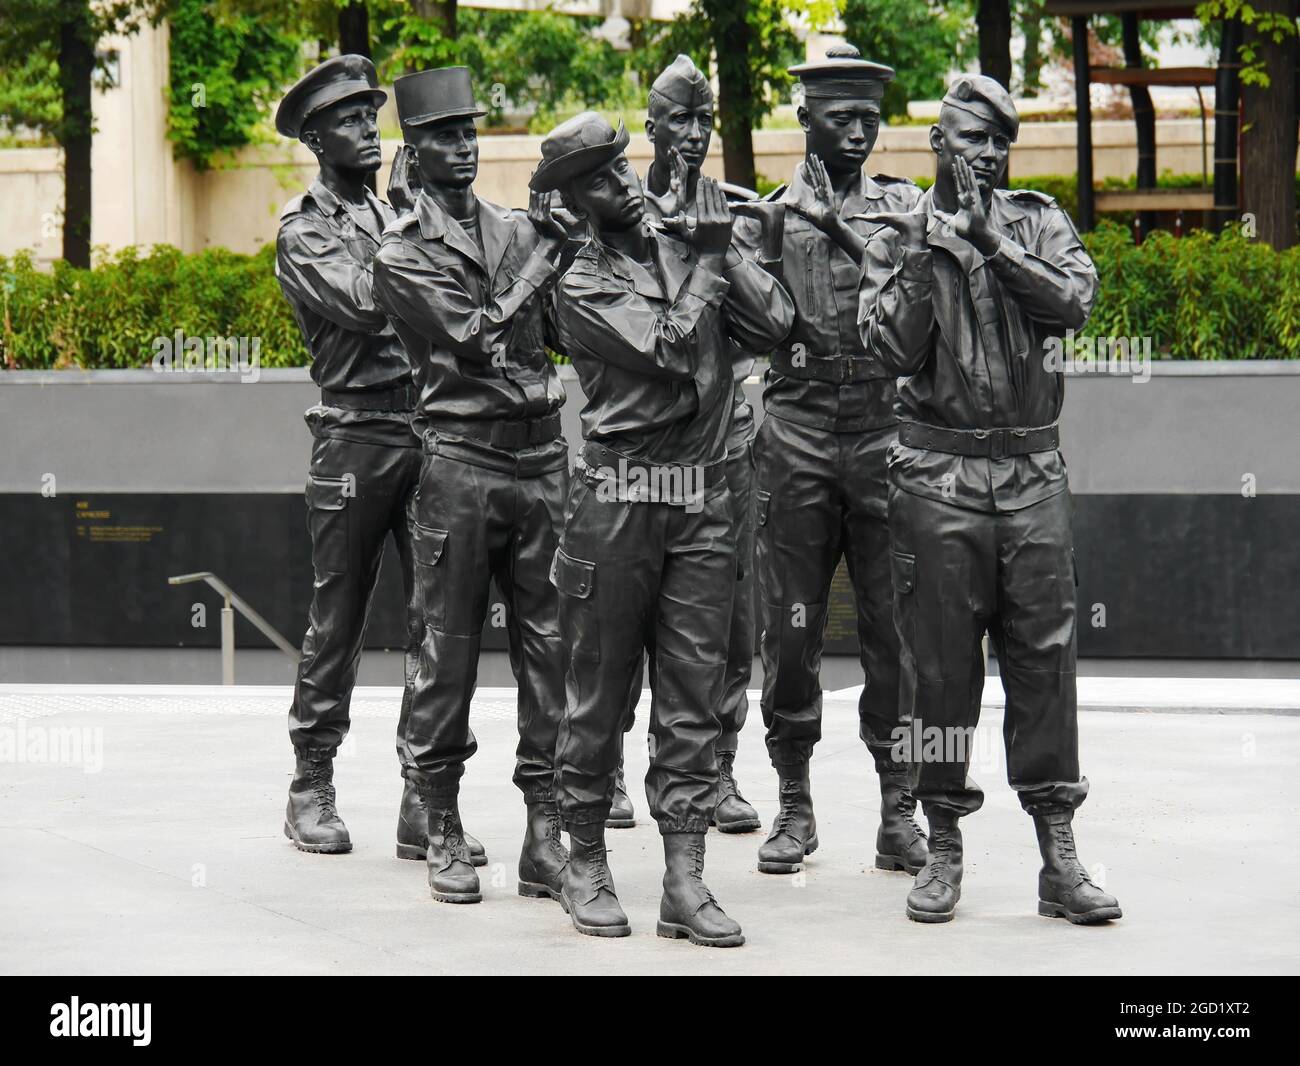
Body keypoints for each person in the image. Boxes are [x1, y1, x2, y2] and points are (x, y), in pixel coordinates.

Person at [855, 74, 1122, 925]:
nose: (991, 155)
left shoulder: (1037, 220)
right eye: (973, 140)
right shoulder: (898, 234)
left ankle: (1057, 851)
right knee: (938, 669)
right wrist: (938, 248)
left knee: (1046, 662)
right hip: (939, 479)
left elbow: (1077, 301)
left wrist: (993, 247)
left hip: (1032, 477)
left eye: (1000, 142)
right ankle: (942, 844)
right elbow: (893, 349)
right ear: (938, 145)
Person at [539, 112, 794, 945]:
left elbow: (778, 324)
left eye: (623, 169)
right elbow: (675, 347)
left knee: (692, 695)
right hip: (619, 500)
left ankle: (684, 880)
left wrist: (720, 247)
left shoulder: (688, 246)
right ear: (575, 200)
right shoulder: (579, 281)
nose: (625, 185)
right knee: (599, 690)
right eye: (604, 179)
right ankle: (582, 859)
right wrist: (713, 259)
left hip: (705, 500)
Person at [274, 55, 484, 866]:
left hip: (427, 430)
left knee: (437, 618)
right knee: (340, 618)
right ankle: (311, 785)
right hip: (356, 438)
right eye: (351, 120)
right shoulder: (306, 231)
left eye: (372, 116)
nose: (369, 129)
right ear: (317, 138)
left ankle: (422, 800)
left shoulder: (399, 213)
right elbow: (371, 302)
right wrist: (408, 226)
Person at [372, 66, 574, 904]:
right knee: (445, 657)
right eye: (443, 138)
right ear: (412, 155)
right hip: (462, 466)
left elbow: (559, 334)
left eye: (468, 133)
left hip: (543, 463)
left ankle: (546, 831)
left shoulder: (518, 230)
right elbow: (473, 337)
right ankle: (442, 824)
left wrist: (571, 254)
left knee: (553, 656)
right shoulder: (401, 253)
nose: (462, 148)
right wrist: (540, 267)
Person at [730, 45, 927, 878]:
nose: (858, 132)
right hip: (800, 429)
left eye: (869, 119)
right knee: (792, 625)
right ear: (805, 119)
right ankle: (794, 803)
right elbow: (753, 329)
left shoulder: (908, 208)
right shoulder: (767, 215)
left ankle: (898, 808)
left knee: (898, 630)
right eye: (840, 117)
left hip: (885, 427)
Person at [600, 53, 763, 835]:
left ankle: (717, 767)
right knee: (621, 626)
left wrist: (722, 246)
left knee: (723, 627)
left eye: (705, 119)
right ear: (652, 123)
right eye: (679, 119)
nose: (694, 134)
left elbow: (773, 323)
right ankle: (607, 773)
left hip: (722, 452)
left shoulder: (728, 209)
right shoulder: (621, 215)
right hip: (641, 458)